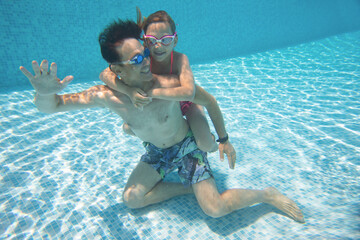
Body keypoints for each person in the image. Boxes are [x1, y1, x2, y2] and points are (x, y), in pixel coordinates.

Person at [19, 19, 304, 222]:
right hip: (156, 153)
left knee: (214, 209)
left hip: (187, 148)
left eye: (144, 53)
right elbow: (54, 106)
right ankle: (186, 188)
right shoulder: (108, 97)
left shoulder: (169, 84)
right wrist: (42, 93)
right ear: (116, 69)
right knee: (131, 199)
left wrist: (224, 139)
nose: (146, 61)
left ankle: (266, 194)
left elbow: (210, 101)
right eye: (136, 59)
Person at [99, 9, 219, 153]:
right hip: (162, 109)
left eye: (166, 39)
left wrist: (224, 139)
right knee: (127, 128)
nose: (158, 46)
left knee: (207, 146)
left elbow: (191, 94)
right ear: (145, 41)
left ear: (175, 40)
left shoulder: (179, 61)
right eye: (152, 40)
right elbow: (105, 73)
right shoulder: (142, 58)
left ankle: (198, 136)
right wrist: (129, 91)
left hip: (185, 104)